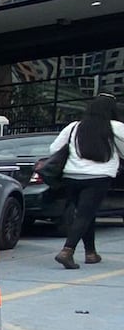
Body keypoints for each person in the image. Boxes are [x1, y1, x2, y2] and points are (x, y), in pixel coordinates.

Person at [48, 93, 124, 268]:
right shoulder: (115, 127)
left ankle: (91, 253)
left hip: (72, 177)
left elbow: (53, 149)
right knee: (85, 214)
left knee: (85, 214)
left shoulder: (74, 126)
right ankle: (67, 251)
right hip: (98, 177)